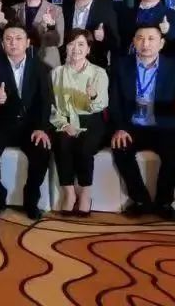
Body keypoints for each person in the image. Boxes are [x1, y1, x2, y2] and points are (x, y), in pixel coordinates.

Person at [108, 25, 175, 221]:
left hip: (163, 125)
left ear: (161, 43)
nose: (145, 43)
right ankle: (140, 201)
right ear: (134, 42)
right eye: (140, 38)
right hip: (132, 125)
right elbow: (114, 101)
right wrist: (120, 128)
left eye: (151, 39)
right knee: (120, 147)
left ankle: (164, 203)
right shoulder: (121, 66)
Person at [0, 25, 53, 220]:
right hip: (2, 122)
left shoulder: (40, 67)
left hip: (30, 126)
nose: (13, 43)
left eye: (18, 38)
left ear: (28, 43)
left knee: (42, 150)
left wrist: (41, 128)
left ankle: (31, 199)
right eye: (8, 39)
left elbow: (45, 101)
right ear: (2, 44)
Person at [50, 29, 109, 217]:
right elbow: (51, 106)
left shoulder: (99, 73)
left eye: (81, 44)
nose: (76, 48)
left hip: (91, 120)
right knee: (62, 142)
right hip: (64, 120)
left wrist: (93, 96)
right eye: (71, 44)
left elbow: (101, 105)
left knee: (84, 146)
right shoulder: (56, 73)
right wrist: (63, 124)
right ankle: (69, 193)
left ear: (88, 49)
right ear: (66, 48)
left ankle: (85, 193)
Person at [62, 0, 120, 67]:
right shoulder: (63, 9)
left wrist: (103, 38)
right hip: (66, 64)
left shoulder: (106, 11)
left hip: (95, 66)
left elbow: (116, 43)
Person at [11, 0, 64, 69]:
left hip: (47, 62)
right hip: (20, 62)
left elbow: (59, 41)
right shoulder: (14, 9)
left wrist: (50, 27)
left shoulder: (55, 10)